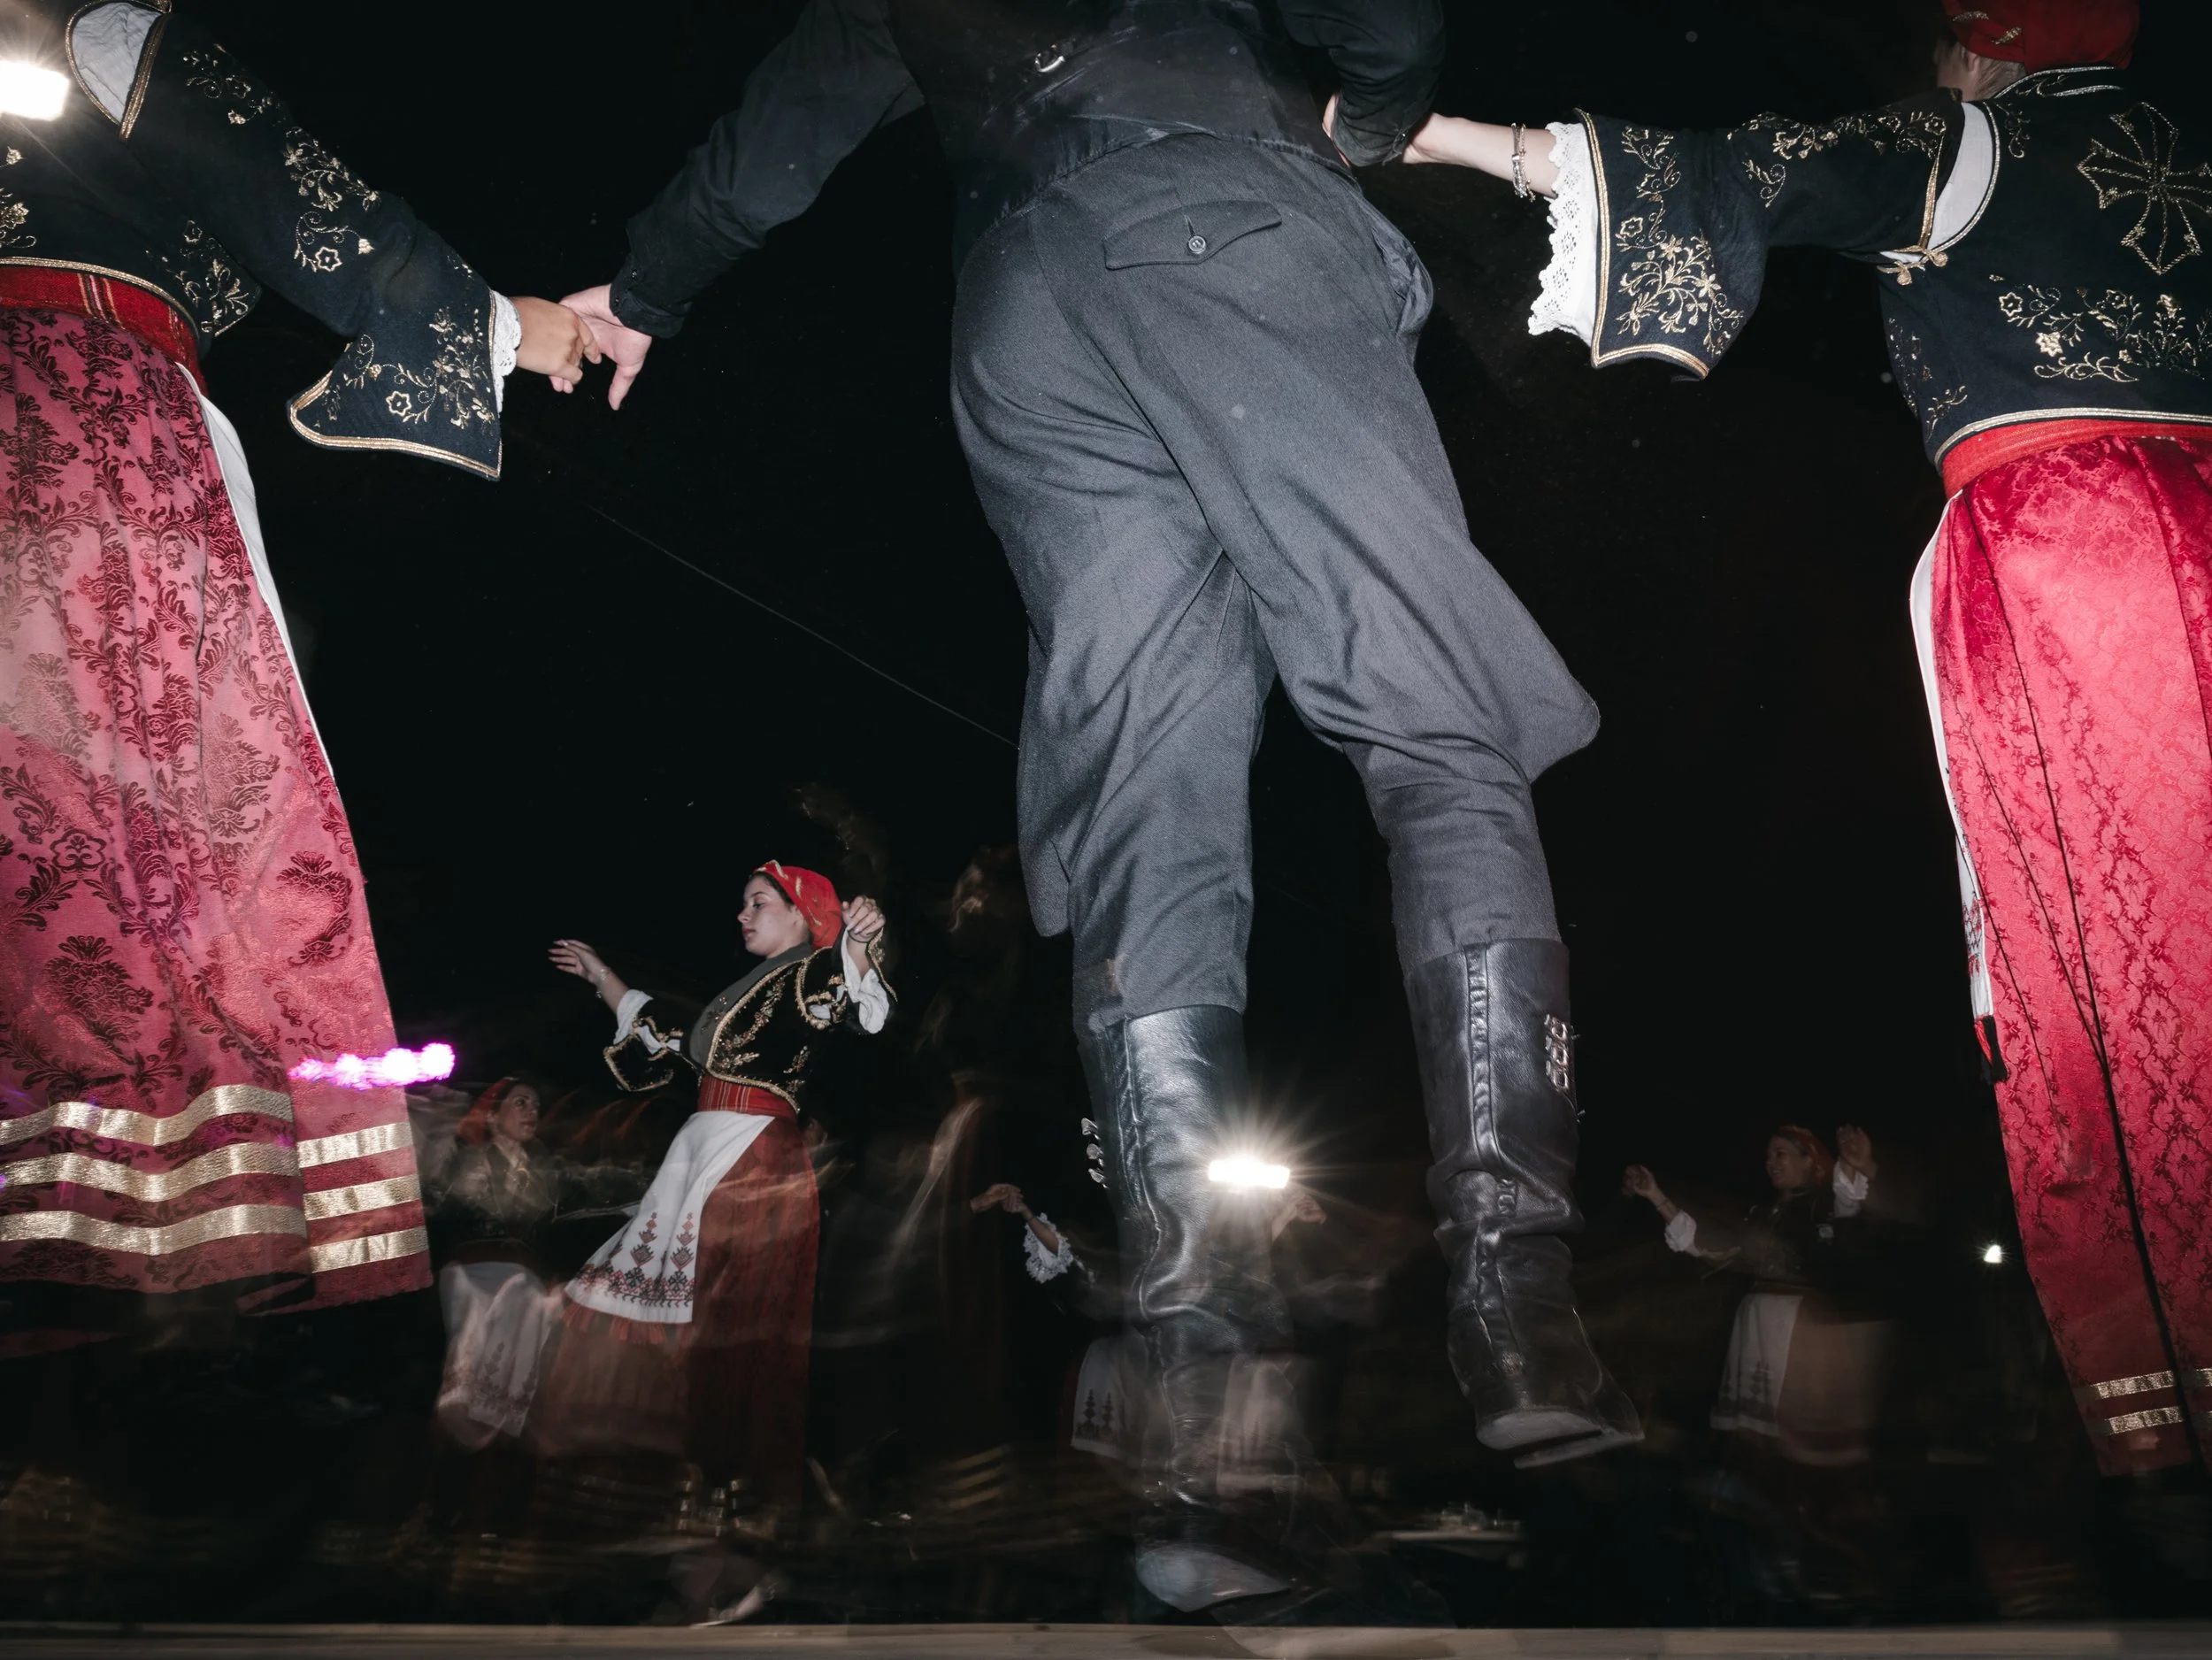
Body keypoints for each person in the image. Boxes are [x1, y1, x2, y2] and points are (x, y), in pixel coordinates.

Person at [552, 0, 1637, 1604]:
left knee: (1150, 822)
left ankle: (1202, 1415)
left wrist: (642, 288)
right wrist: (1364, 109)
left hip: (1022, 325)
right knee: (1437, 730)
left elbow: (779, 137)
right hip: (1226, 224)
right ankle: (1514, 1290)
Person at [1406, 0, 2209, 1476]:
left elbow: (1738, 174)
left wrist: (1428, 133)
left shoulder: (1988, 135)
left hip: (2073, 547)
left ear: (1990, 47)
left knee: (2103, 969)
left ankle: (2173, 1370)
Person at [0, 0, 599, 1337]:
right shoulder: (81, 36)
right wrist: (497, 325)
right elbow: (266, 173)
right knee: (175, 819)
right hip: (72, 413)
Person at [534, 865, 888, 1527]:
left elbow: (855, 995)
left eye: (758, 903)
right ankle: (687, 1490)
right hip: (703, 1152)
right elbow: (667, 1043)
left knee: (727, 1324)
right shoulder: (741, 999)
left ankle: (735, 1499)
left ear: (803, 914)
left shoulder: (809, 972)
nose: (742, 915)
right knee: (686, 1324)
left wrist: (861, 939)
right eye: (743, 904)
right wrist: (600, 977)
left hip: (751, 1158)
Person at [1625, 1127, 1885, 1467]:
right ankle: (1751, 1480)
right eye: (1768, 1155)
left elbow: (1848, 1199)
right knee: (1751, 1434)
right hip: (1757, 1324)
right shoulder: (1760, 1213)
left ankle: (1796, 1489)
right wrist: (1656, 1195)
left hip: (1798, 1325)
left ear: (1808, 1161)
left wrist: (1855, 1164)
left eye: (1780, 1153)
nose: (1770, 1162)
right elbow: (1710, 1245)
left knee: (1792, 1425)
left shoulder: (1824, 1205)